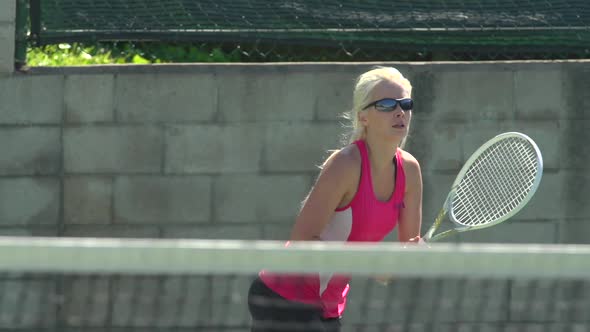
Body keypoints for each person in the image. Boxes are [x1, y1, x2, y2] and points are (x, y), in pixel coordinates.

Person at [247, 66, 423, 332]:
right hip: (283, 298)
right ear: (363, 116)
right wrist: (368, 260)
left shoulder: (410, 172)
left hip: (327, 307)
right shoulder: (346, 165)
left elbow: (386, 274)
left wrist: (406, 261)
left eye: (405, 104)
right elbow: (301, 241)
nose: (400, 112)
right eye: (387, 105)